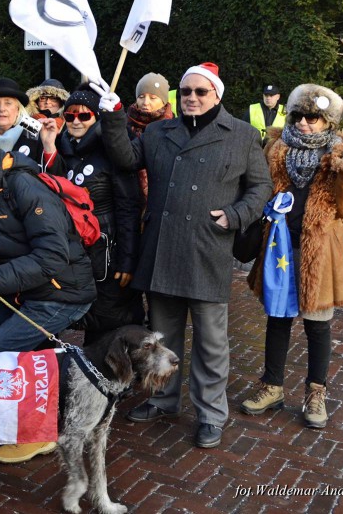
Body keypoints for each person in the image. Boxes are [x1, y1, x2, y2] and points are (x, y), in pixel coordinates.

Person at [97, 62, 271, 450]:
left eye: (200, 92)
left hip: (208, 250)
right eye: (186, 91)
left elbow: (261, 188)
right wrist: (112, 116)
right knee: (163, 338)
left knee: (211, 343)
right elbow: (126, 159)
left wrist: (235, 215)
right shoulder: (159, 131)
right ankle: (162, 399)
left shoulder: (241, 134)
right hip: (162, 248)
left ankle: (211, 414)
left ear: (217, 96)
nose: (192, 97)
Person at [0, 126, 95, 463]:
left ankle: (37, 435)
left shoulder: (23, 185)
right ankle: (1, 427)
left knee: (1, 348)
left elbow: (54, 256)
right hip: (27, 291)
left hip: (61, 292)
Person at [240, 84, 343, 429]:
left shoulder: (341, 152)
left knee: (318, 326)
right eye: (298, 115)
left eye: (312, 117)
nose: (303, 122)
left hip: (321, 250)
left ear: (326, 121)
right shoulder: (277, 146)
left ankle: (316, 392)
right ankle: (272, 386)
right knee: (278, 318)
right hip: (279, 247)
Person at [47, 89, 142, 343]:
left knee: (110, 321)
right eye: (69, 115)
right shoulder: (60, 147)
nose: (76, 121)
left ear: (97, 117)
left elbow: (129, 207)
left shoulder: (111, 151)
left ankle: (116, 378)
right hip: (73, 251)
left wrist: (127, 260)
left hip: (108, 250)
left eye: (84, 115)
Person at [125, 73, 173, 205]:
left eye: (153, 98)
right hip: (128, 196)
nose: (146, 103)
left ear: (163, 101)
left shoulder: (173, 128)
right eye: (141, 97)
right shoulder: (124, 125)